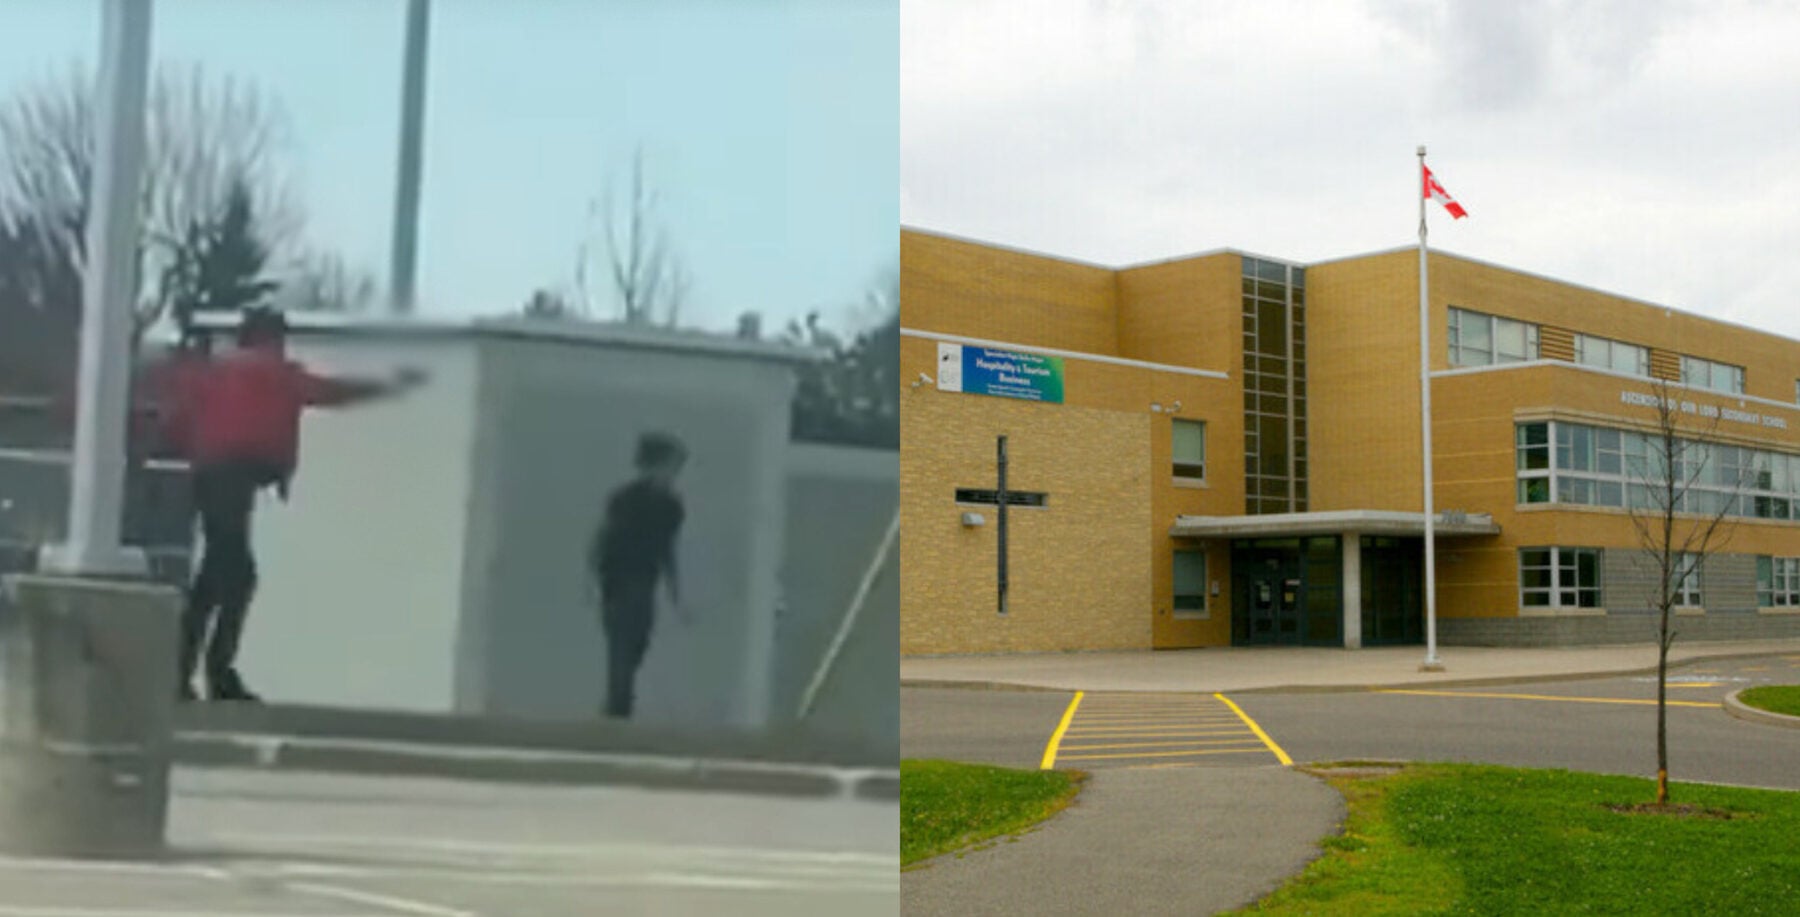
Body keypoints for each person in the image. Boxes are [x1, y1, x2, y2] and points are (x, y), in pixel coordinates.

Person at [171, 306, 425, 702]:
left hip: (212, 477)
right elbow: (334, 392)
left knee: (218, 575)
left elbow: (179, 401)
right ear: (270, 338)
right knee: (235, 577)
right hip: (232, 478)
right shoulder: (277, 375)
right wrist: (390, 386)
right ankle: (210, 673)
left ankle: (188, 671)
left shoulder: (216, 372)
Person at [588, 432, 690, 719]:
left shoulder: (670, 506)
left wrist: (675, 594)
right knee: (623, 644)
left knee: (635, 645)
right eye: (671, 465)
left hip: (643, 582)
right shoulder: (627, 499)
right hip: (620, 582)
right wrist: (593, 576)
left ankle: (616, 705)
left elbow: (667, 551)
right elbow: (604, 538)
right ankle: (618, 707)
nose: (674, 473)